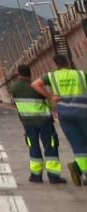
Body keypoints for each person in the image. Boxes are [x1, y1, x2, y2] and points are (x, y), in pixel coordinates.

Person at [33, 53, 87, 187]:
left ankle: (83, 172)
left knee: (77, 145)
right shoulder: (80, 74)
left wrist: (51, 96)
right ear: (69, 62)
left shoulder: (52, 76)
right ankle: (77, 168)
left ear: (55, 65)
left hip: (65, 115)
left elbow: (35, 84)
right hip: (83, 112)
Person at [10, 64, 63, 183]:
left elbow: (17, 105)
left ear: (19, 73)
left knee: (33, 147)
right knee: (51, 146)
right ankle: (54, 176)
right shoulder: (36, 86)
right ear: (30, 73)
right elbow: (49, 103)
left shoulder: (14, 88)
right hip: (44, 121)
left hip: (28, 123)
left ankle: (36, 175)